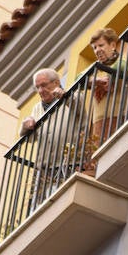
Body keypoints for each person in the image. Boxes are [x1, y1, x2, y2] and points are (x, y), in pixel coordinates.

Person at [22, 68, 87, 206]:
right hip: (43, 171)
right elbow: (30, 138)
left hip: (69, 164)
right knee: (39, 209)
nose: (40, 91)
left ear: (57, 82)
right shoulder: (37, 108)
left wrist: (65, 97)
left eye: (44, 85)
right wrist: (25, 125)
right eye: (37, 87)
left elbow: (80, 110)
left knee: (66, 203)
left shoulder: (74, 95)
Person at [87, 28, 128, 157]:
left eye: (101, 45)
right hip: (97, 121)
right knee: (98, 156)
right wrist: (95, 80)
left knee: (114, 152)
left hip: (116, 115)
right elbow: (78, 78)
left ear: (112, 45)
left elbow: (122, 67)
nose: (97, 50)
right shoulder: (95, 70)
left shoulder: (120, 62)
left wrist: (108, 78)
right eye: (94, 48)